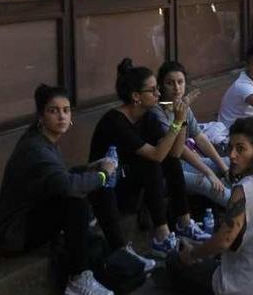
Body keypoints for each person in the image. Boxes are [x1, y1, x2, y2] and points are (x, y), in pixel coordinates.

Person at [0, 84, 116, 295]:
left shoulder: (42, 138)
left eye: (66, 110)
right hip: (15, 234)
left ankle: (117, 251)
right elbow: (66, 186)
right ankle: (79, 278)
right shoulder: (35, 148)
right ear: (40, 116)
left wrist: (90, 169)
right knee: (76, 200)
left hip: (31, 218)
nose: (61, 116)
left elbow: (57, 178)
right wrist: (102, 175)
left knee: (87, 182)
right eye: (53, 111)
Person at [88, 59, 210, 260]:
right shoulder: (115, 121)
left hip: (134, 182)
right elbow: (156, 155)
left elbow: (175, 153)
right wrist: (177, 121)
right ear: (136, 96)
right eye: (152, 90)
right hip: (108, 188)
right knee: (152, 162)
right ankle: (162, 237)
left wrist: (184, 117)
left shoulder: (148, 117)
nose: (159, 94)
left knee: (168, 160)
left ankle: (184, 224)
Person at [177, 117, 253, 295]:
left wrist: (191, 255)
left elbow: (224, 241)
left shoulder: (244, 190)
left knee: (174, 262)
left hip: (251, 289)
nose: (232, 155)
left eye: (241, 149)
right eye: (231, 148)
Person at [150, 61, 231, 207]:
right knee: (206, 182)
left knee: (229, 163)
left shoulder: (182, 106)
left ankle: (246, 196)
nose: (176, 88)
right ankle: (242, 210)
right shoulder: (157, 111)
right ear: (161, 86)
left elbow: (200, 137)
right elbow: (179, 150)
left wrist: (223, 168)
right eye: (170, 83)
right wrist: (208, 172)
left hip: (185, 164)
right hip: (165, 171)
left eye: (180, 82)